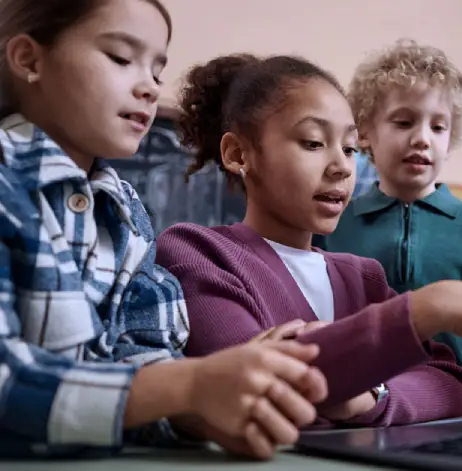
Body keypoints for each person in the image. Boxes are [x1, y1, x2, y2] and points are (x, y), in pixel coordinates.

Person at [155, 53, 462, 428]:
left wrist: (369, 396)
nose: (341, 166)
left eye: (349, 149)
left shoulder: (361, 276)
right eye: (313, 143)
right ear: (238, 155)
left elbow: (450, 383)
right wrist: (431, 307)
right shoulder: (197, 253)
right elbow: (258, 384)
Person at [0, 0, 328, 460]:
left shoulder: (126, 212)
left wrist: (200, 407)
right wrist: (187, 384)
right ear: (29, 59)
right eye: (120, 58)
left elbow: (144, 356)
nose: (151, 89)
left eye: (158, 71)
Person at [314, 40, 462, 409]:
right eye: (404, 122)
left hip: (448, 417)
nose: (422, 138)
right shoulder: (335, 225)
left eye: (438, 127)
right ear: (365, 133)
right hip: (354, 417)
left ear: (451, 139)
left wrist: (461, 367)